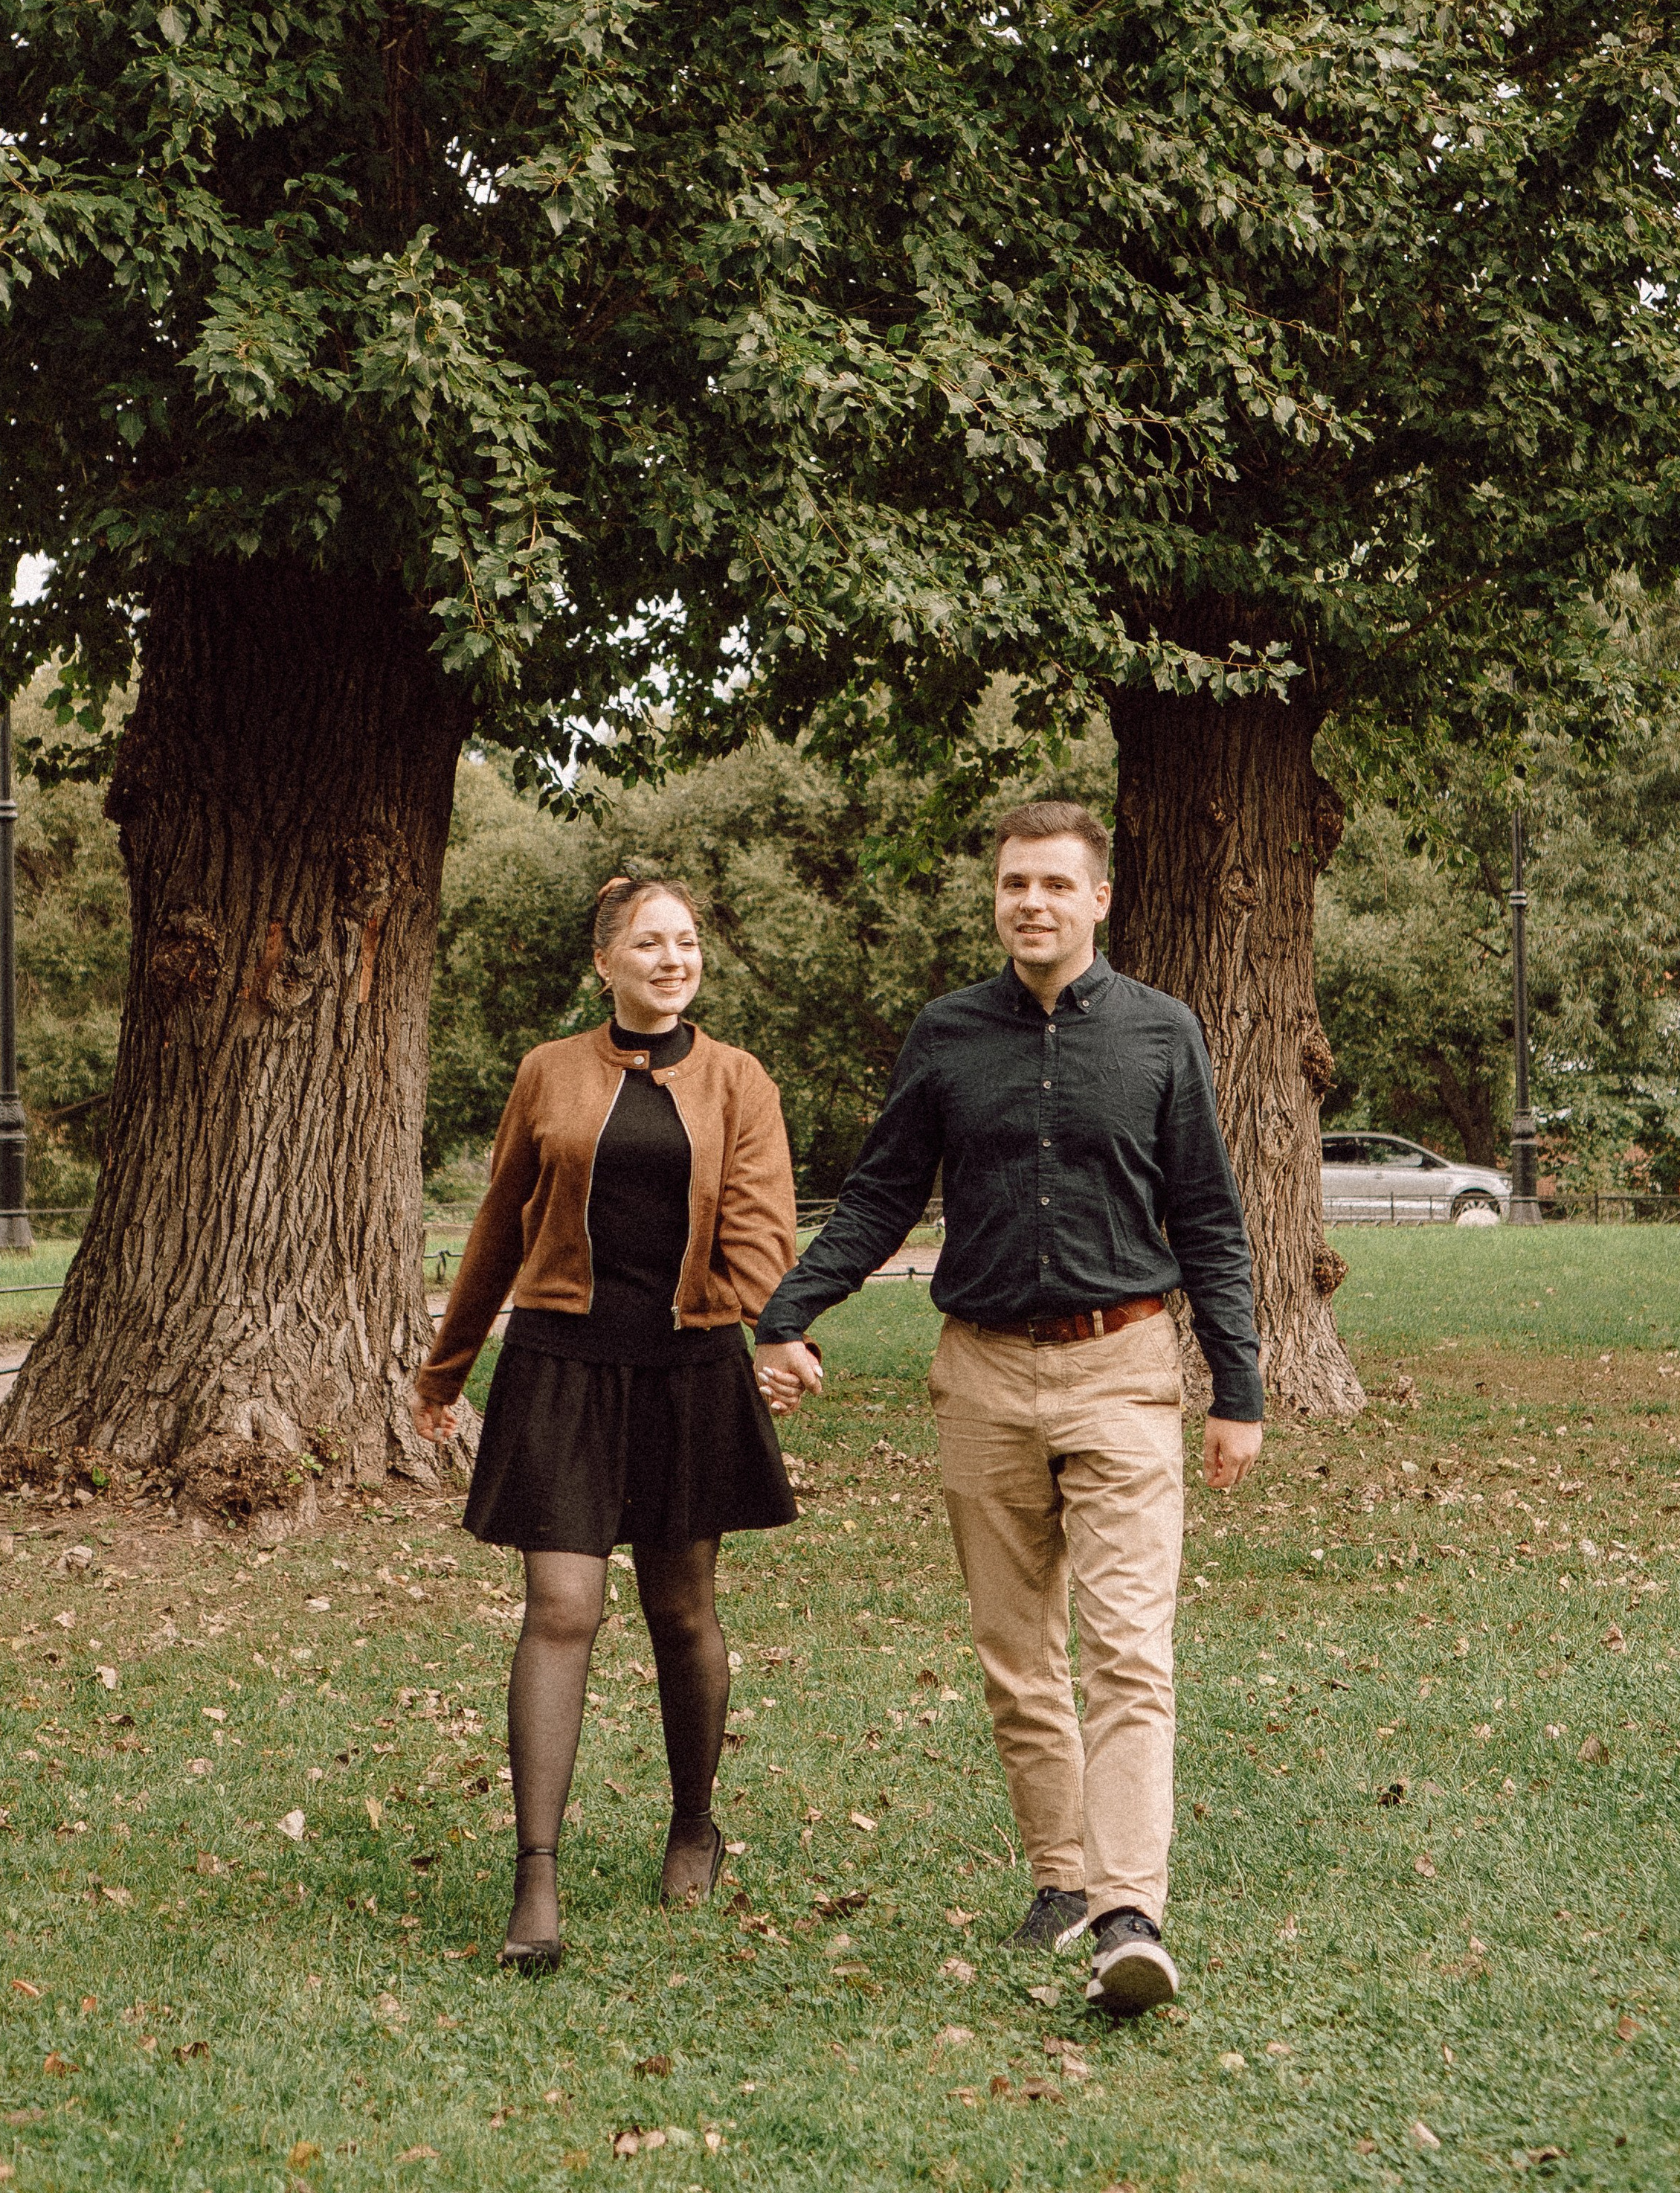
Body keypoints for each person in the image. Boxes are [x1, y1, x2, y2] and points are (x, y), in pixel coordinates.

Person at [755, 800, 1264, 2018]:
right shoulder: (947, 1035)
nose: (1029, 902)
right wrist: (788, 1311)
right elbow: (881, 1197)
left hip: (1124, 1368)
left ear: (1098, 900)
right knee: (1016, 1653)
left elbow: (1208, 1218)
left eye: (1052, 883)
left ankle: (1128, 1908)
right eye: (1010, 885)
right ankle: (1058, 1873)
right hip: (980, 1373)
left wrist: (1237, 1388)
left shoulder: (1161, 1034)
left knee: (1128, 1651)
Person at [411, 875, 799, 1973]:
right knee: (562, 1605)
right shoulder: (549, 1071)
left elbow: (764, 1225)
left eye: (685, 943)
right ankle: (536, 1876)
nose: (671, 960)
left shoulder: (738, 1080)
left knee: (682, 1612)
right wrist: (446, 1369)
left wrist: (772, 1331)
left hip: (687, 1368)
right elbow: (498, 1223)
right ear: (606, 964)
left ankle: (693, 1820)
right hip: (562, 1363)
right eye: (647, 943)